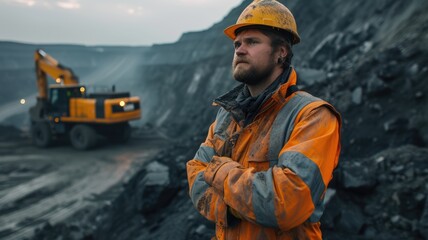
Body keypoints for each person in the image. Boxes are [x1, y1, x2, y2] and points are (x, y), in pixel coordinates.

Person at [186, 0, 341, 239]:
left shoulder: (312, 115)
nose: (239, 49)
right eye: (237, 43)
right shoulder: (227, 115)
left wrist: (220, 171)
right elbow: (196, 175)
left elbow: (286, 203)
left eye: (252, 42)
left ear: (281, 52)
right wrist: (238, 205)